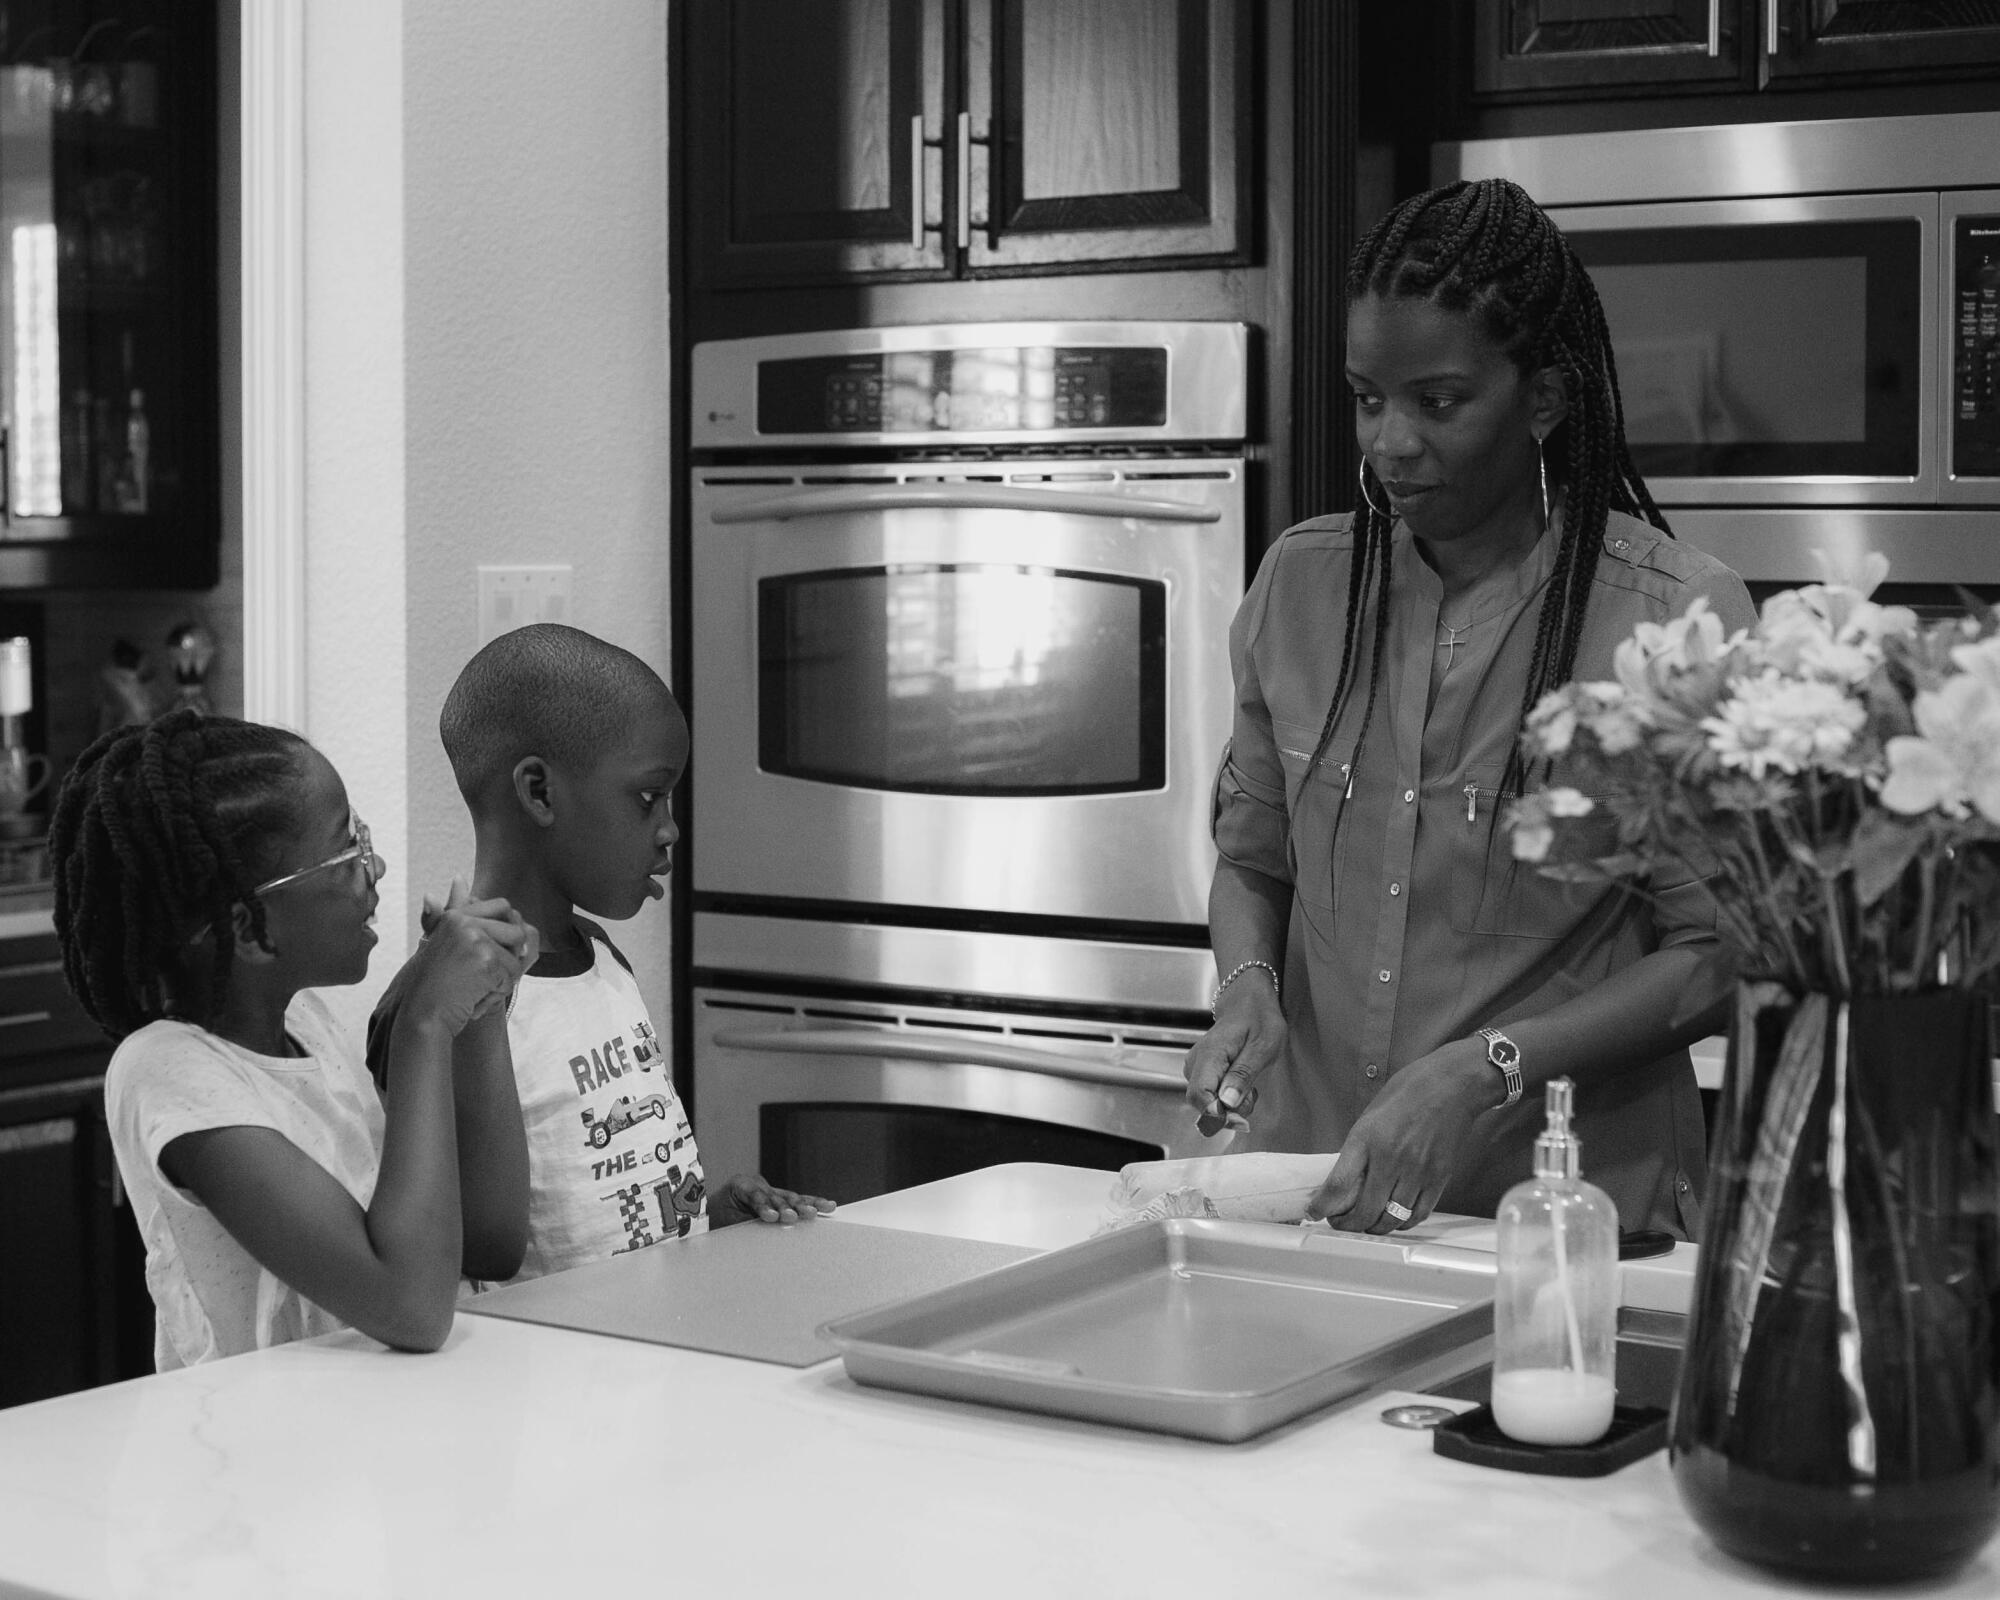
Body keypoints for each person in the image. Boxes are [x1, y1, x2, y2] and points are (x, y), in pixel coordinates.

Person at [1184, 177, 1757, 1240]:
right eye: (1366, 398)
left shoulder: (1673, 620)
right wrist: (1248, 983)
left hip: (1564, 1229)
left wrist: (1487, 1068)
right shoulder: (1298, 588)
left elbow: (1718, 951)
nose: (1388, 441)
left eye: (1437, 402)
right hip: (1312, 1205)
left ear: (1540, 400)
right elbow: (1253, 856)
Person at [52, 711, 535, 1369]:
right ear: (248, 930)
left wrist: (476, 1011)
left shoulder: (306, 1026)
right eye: (348, 851)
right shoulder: (165, 1071)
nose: (377, 866)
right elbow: (413, 1308)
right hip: (261, 1452)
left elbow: (492, 1244)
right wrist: (425, 1024)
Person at [376, 623, 832, 1286]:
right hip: (544, 1376)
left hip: (641, 1353)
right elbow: (484, 1247)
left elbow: (595, 1216)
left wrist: (707, 1218)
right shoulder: (437, 1002)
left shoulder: (603, 959)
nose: (670, 828)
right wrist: (479, 1014)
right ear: (539, 792)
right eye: (649, 797)